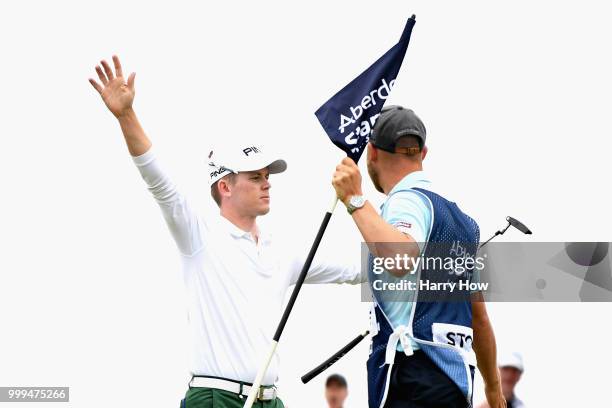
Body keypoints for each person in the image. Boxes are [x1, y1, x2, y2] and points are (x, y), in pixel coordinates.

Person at [88, 55, 364, 408]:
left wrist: (446, 261)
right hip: (215, 398)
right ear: (225, 187)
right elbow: (158, 180)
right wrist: (127, 115)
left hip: (270, 400)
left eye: (267, 177)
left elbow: (360, 269)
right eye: (254, 177)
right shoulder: (199, 234)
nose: (266, 185)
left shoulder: (282, 250)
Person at [331, 105, 505, 408]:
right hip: (456, 379)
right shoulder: (464, 222)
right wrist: (493, 389)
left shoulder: (406, 202)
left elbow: (400, 259)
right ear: (422, 153)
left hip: (413, 374)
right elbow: (479, 317)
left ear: (371, 152)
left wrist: (355, 199)